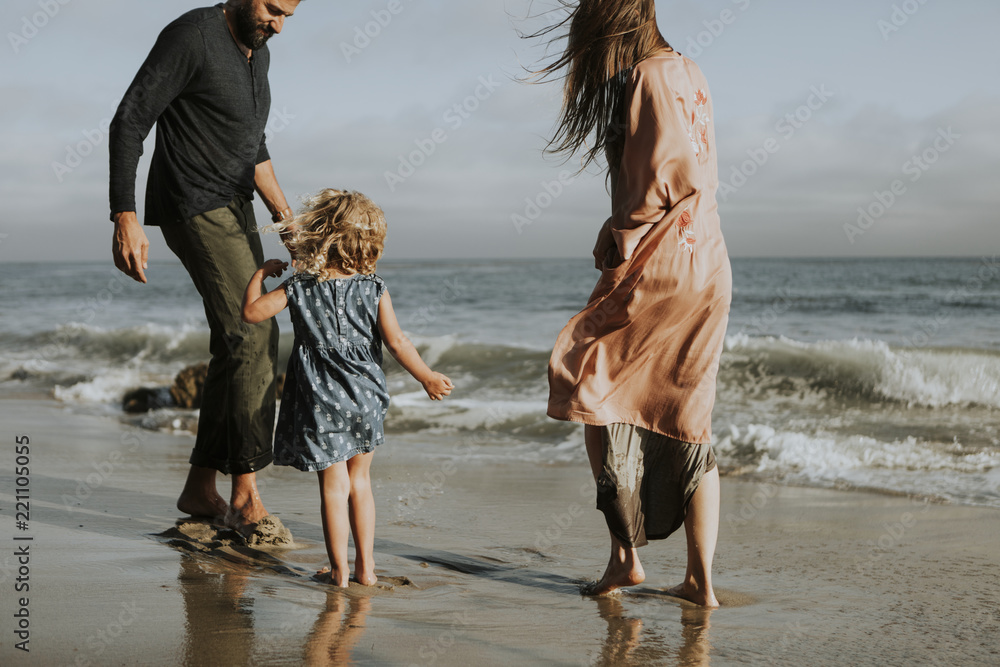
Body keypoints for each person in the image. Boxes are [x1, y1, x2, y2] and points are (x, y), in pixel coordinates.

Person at [531, 0, 732, 606]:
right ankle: (701, 580)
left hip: (662, 259)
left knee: (586, 379)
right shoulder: (690, 69)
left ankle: (626, 558)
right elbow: (692, 173)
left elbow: (657, 178)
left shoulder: (645, 75)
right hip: (710, 261)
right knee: (689, 420)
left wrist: (623, 235)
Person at [108, 0, 301, 532]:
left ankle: (199, 488)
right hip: (192, 201)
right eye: (272, 9)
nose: (278, 25)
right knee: (253, 332)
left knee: (233, 339)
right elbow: (130, 118)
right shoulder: (191, 36)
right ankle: (245, 495)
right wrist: (124, 214)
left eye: (289, 16)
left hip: (236, 203)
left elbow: (252, 146)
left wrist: (285, 216)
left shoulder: (257, 54)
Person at [242, 189, 454, 587]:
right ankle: (366, 570)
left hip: (319, 398)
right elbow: (397, 343)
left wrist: (259, 274)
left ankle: (338, 572)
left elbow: (251, 313)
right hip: (365, 396)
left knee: (334, 488)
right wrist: (426, 376)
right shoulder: (374, 288)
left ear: (319, 236)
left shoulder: (300, 286)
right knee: (361, 484)